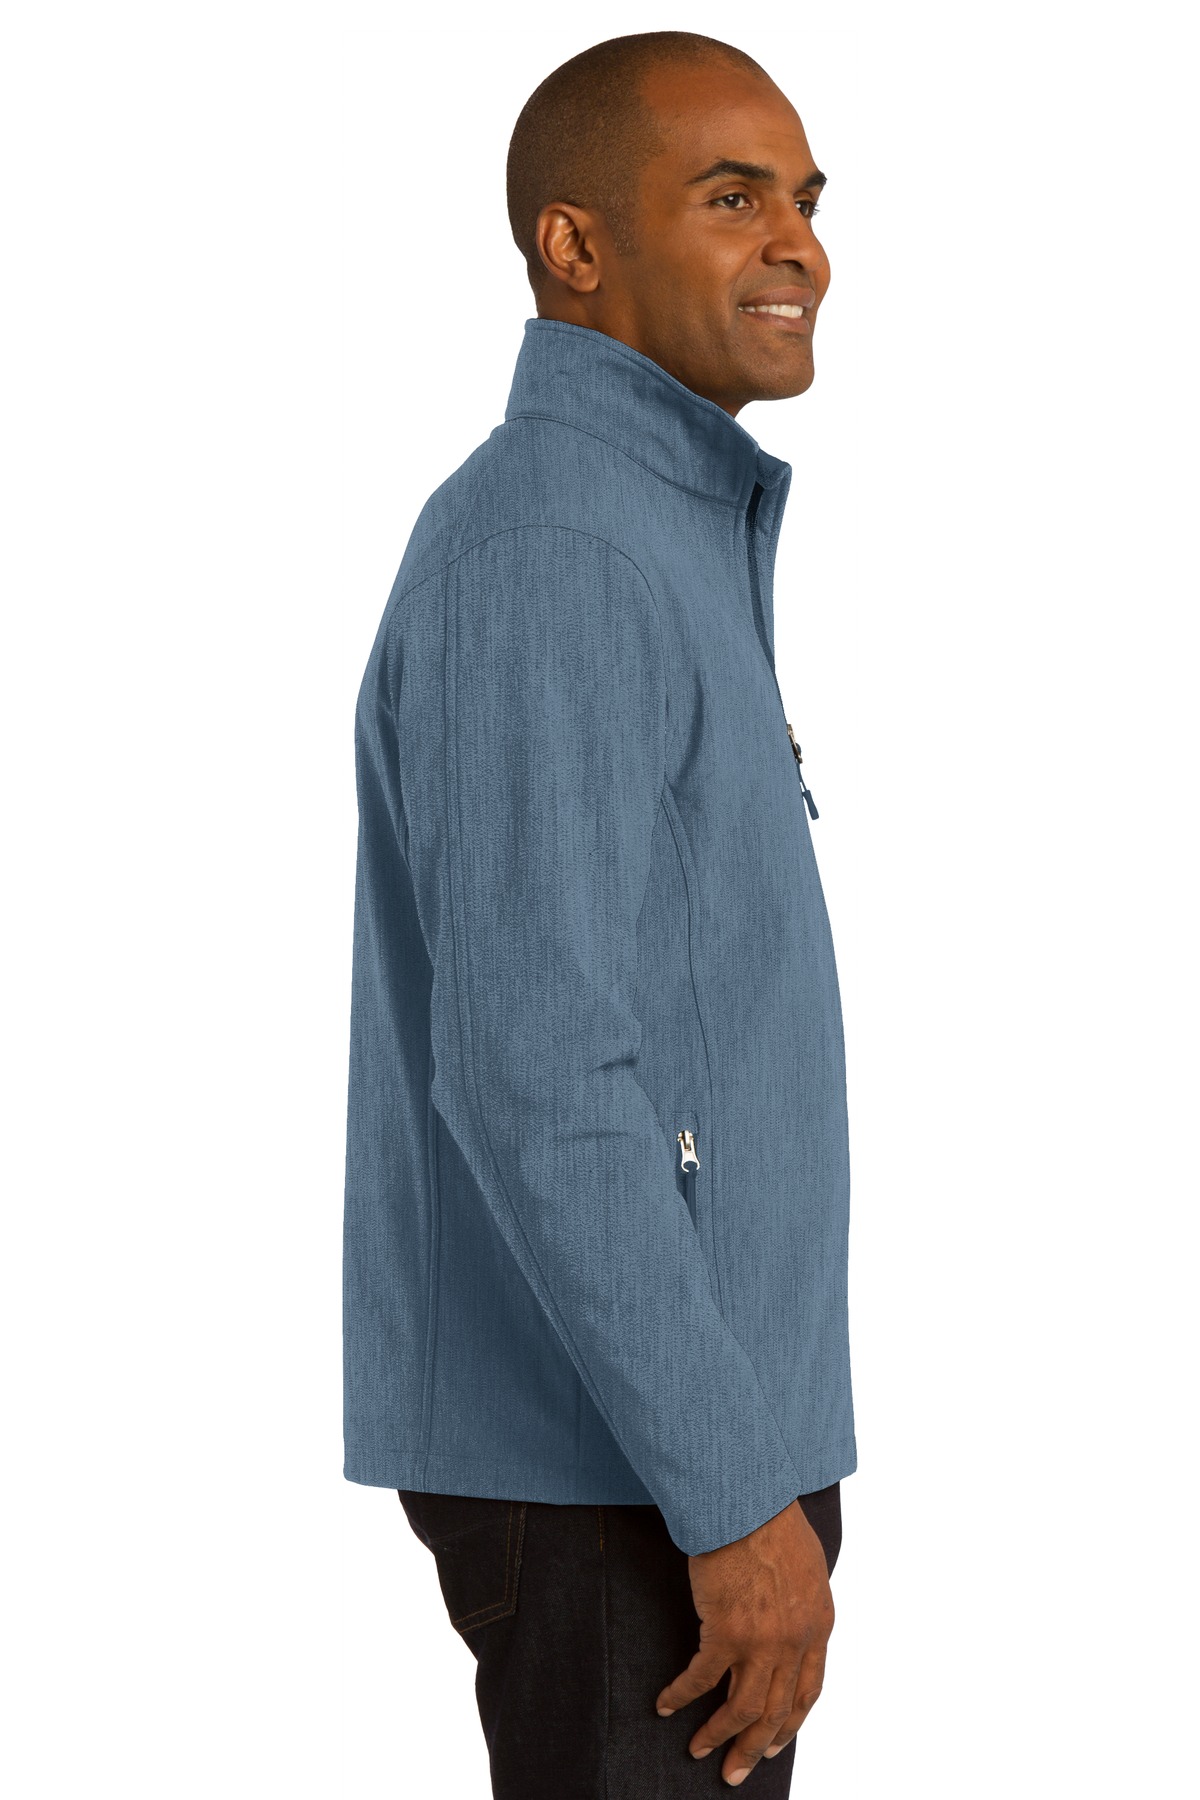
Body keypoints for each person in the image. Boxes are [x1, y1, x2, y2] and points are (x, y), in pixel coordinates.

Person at [342, 29, 856, 1796]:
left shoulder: (651, 525)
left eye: (807, 201)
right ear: (574, 246)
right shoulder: (556, 547)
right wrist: (733, 1494)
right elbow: (538, 1071)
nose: (801, 247)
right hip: (627, 1475)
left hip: (685, 1451)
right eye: (733, 198)